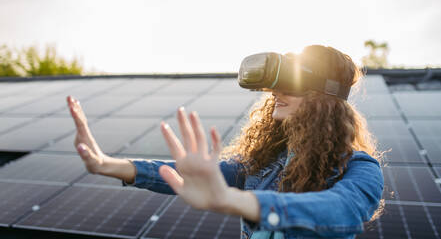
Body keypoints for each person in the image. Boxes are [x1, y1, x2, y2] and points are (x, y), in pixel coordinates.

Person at [66, 45, 384, 239]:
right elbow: (200, 176)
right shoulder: (269, 159)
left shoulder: (359, 168)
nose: (276, 94)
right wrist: (107, 164)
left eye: (291, 85)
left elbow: (342, 211)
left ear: (322, 100)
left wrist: (236, 201)